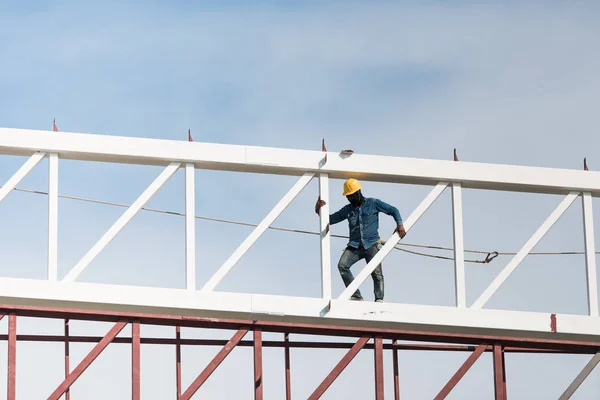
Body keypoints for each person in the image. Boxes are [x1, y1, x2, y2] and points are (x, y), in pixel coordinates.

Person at [315, 178, 406, 302]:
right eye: (348, 197)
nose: (350, 199)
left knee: (377, 274)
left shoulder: (373, 203)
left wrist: (399, 224)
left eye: (352, 196)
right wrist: (319, 210)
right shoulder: (348, 209)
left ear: (358, 192)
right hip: (355, 246)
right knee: (342, 265)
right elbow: (330, 219)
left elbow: (393, 210)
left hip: (371, 244)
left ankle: (379, 299)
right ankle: (356, 295)